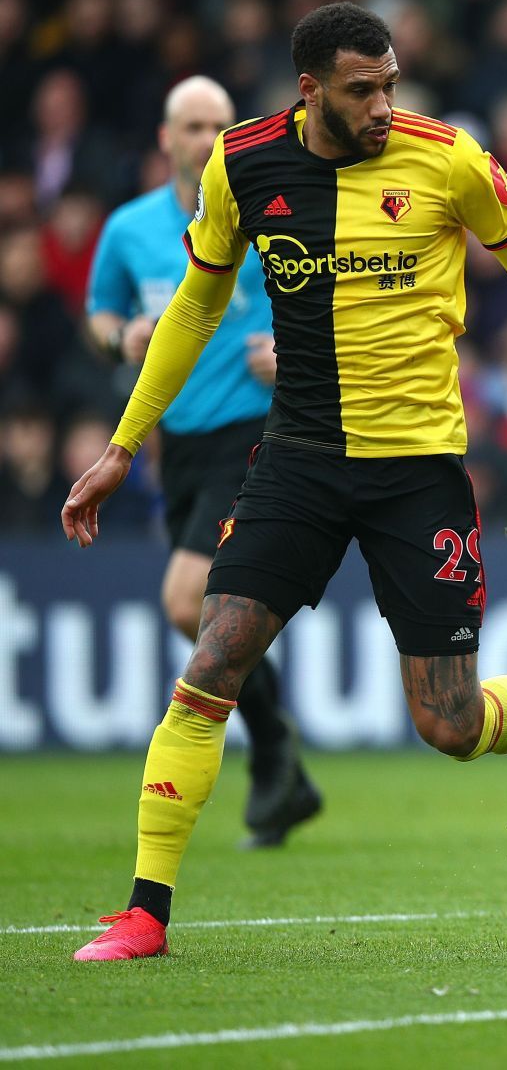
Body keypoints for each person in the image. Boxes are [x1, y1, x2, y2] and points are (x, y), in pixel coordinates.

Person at [61, 2, 507, 962]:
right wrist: (124, 445)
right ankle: (145, 911)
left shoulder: (449, 159)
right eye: (362, 90)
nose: (384, 105)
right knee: (211, 661)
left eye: (390, 84)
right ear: (310, 90)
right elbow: (191, 310)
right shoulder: (243, 164)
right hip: (297, 460)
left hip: (418, 473)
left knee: (451, 725)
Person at [86, 75, 321, 849]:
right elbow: (99, 312)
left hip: (252, 433)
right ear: (165, 138)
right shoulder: (128, 229)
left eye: (220, 124)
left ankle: (275, 749)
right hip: (174, 446)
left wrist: (289, 352)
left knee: (189, 601)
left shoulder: (260, 214)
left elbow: (316, 298)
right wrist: (116, 336)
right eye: (192, 125)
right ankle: (283, 758)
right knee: (209, 609)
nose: (206, 138)